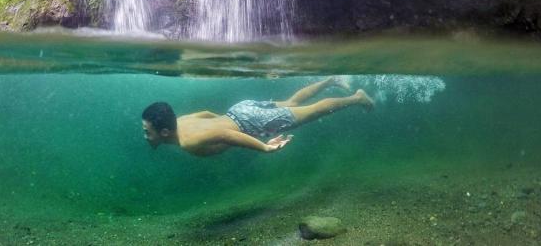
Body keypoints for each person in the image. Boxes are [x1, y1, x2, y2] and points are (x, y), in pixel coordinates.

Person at [141, 77, 374, 157]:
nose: (144, 135)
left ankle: (357, 98)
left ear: (163, 132)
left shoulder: (188, 141)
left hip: (251, 122)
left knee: (312, 111)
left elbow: (227, 135)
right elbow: (207, 115)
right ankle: (330, 80)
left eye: (146, 131)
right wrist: (229, 120)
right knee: (292, 103)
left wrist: (264, 148)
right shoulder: (180, 120)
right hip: (240, 110)